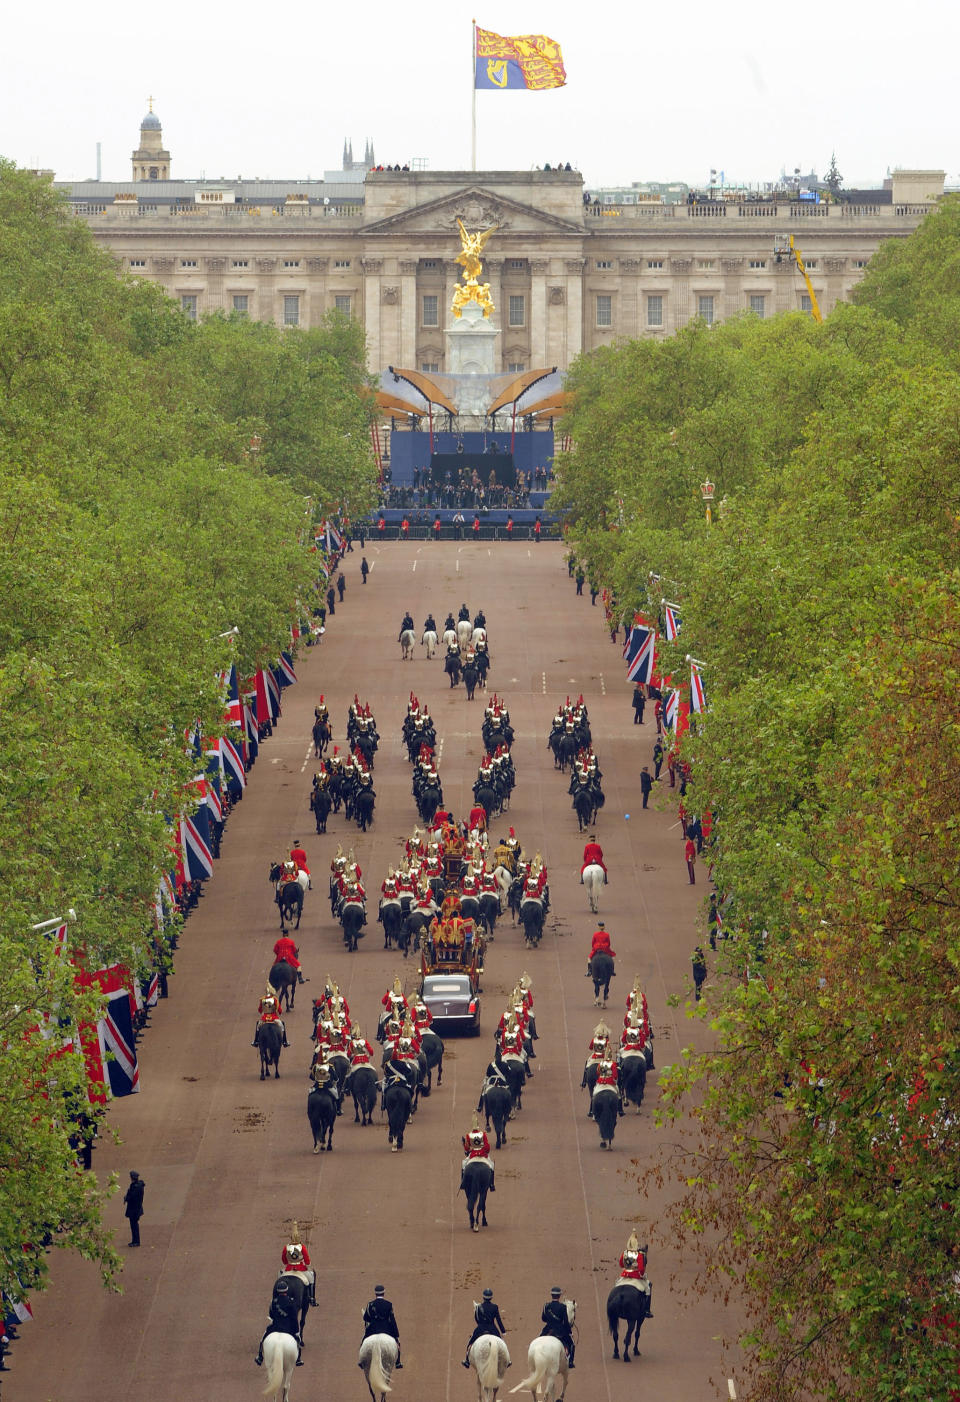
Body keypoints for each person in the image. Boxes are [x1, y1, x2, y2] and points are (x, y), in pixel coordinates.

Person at [256, 1278, 303, 1367]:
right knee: (298, 1341)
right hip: (288, 1327)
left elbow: (271, 1314)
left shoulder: (273, 1302)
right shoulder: (291, 1302)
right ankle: (298, 1359)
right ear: (286, 1290)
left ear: (277, 1291)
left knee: (263, 1338)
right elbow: (294, 1318)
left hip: (275, 1326)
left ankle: (260, 1356)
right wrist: (296, 1332)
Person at [462, 1288, 506, 1367]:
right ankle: (507, 1360)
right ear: (491, 1297)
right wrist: (503, 1331)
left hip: (481, 1328)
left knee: (470, 1343)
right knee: (502, 1343)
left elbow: (477, 1319)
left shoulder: (478, 1307)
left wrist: (480, 1325)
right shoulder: (495, 1307)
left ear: (483, 1297)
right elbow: (498, 1320)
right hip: (492, 1329)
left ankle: (467, 1361)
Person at [362, 1285, 402, 1367]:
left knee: (363, 1343)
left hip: (373, 1330)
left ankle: (361, 1361)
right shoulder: (389, 1305)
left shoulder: (370, 1304)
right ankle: (398, 1362)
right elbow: (392, 1320)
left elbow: (366, 1317)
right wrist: (396, 1335)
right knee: (398, 1344)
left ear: (375, 1294)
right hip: (386, 1329)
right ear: (384, 1293)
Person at [540, 1287, 575, 1367]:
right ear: (559, 1296)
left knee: (538, 1339)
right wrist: (570, 1332)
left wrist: (550, 1321)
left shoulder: (546, 1306)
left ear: (551, 1295)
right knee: (572, 1344)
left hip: (548, 1329)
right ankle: (570, 1362)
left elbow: (543, 1318)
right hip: (560, 1331)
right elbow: (566, 1322)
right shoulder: (562, 1307)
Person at [460, 1112, 495, 1191]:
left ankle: (463, 1182)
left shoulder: (468, 1135)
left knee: (463, 1164)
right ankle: (492, 1184)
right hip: (483, 1155)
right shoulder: (483, 1134)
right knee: (491, 1165)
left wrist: (469, 1148)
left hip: (473, 1155)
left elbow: (466, 1149)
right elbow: (487, 1148)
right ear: (478, 1125)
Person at [124, 1170, 145, 1247]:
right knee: (134, 1225)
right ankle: (135, 1240)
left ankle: (136, 1241)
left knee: (134, 1226)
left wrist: (127, 1198)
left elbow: (132, 1197)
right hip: (136, 1209)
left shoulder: (135, 1187)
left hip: (134, 1210)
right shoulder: (138, 1185)